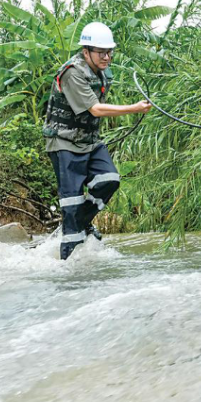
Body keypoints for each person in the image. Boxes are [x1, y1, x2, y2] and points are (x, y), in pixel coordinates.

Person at [43, 22, 152, 260]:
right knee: (71, 205)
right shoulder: (72, 72)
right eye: (101, 52)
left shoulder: (102, 72)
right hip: (64, 144)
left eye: (109, 51)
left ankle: (81, 221)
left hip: (90, 142)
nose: (107, 56)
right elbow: (95, 109)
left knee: (109, 180)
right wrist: (133, 108)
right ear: (86, 52)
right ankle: (68, 268)